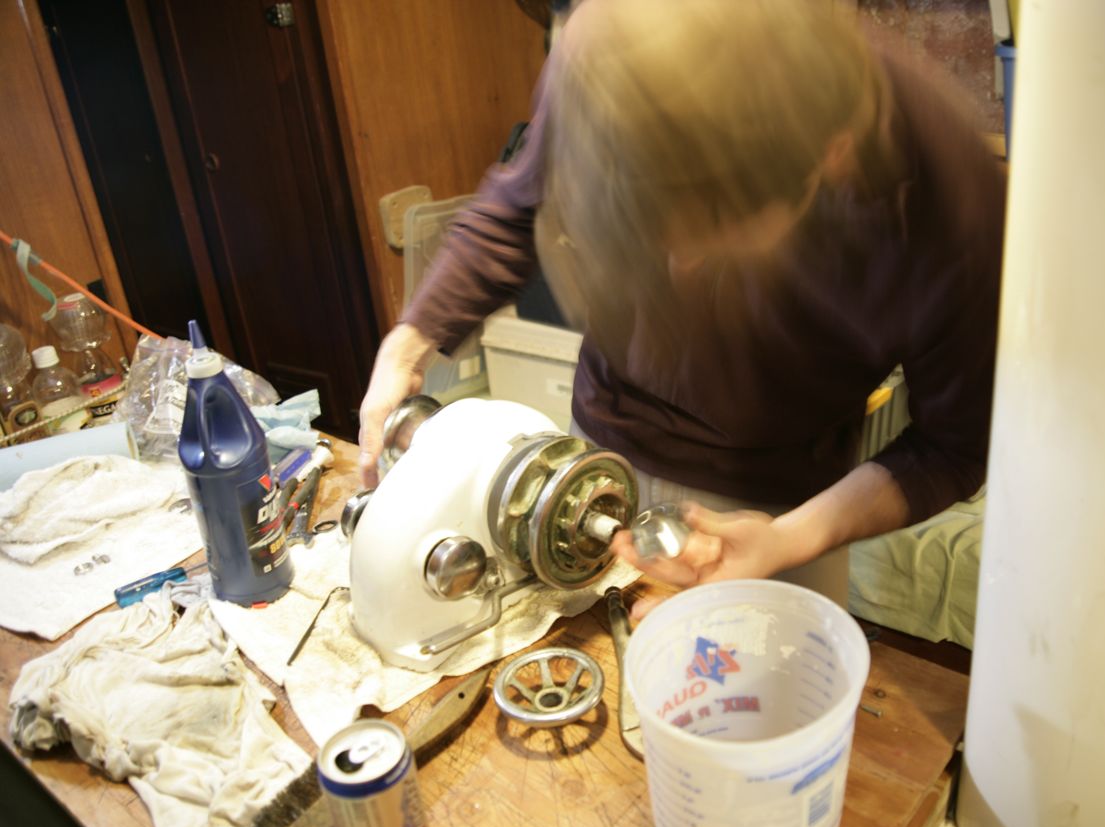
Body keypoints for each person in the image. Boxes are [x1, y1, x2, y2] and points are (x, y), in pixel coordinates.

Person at [357, 0, 1005, 613]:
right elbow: (517, 207)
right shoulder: (610, 54)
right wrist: (408, 344)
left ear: (828, 157)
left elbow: (950, 449)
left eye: (715, 239)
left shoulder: (953, 203)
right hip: (602, 451)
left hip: (779, 506)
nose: (675, 272)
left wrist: (788, 539)